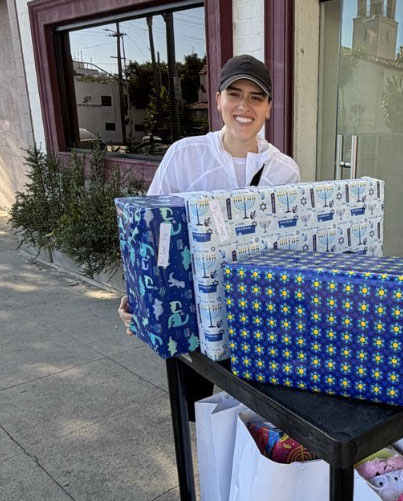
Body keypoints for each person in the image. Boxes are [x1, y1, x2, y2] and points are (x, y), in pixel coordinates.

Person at [118, 54, 300, 333]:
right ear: (218, 100)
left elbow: (290, 248)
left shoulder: (284, 171)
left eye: (256, 97)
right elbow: (150, 231)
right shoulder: (184, 155)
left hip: (258, 310)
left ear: (268, 108)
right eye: (234, 94)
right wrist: (140, 296)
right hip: (189, 307)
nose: (244, 106)